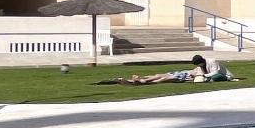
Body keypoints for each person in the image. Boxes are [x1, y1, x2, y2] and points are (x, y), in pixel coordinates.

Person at [100, 54, 242, 86]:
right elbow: (199, 72)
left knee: (164, 78)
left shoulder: (211, 62)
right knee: (159, 74)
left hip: (186, 77)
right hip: (184, 73)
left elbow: (215, 73)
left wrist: (204, 77)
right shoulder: (199, 67)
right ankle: (140, 79)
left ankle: (141, 82)